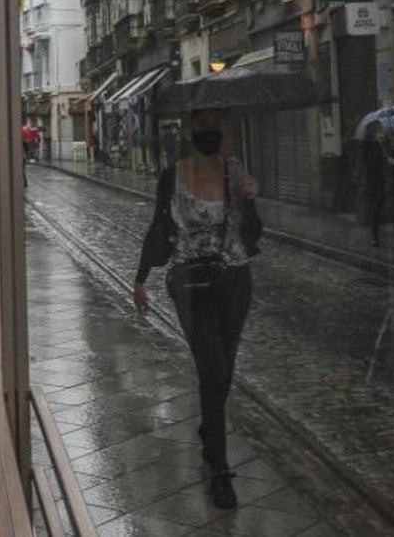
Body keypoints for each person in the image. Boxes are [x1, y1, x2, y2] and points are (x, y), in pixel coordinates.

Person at [133, 109, 262, 510]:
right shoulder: (173, 176)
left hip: (234, 281)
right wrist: (140, 277)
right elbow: (159, 226)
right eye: (201, 126)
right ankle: (220, 468)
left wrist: (252, 199)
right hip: (190, 282)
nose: (209, 132)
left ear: (222, 129)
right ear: (190, 130)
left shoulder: (236, 171)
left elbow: (254, 233)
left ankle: (210, 431)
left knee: (224, 368)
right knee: (212, 369)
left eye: (215, 126)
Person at [363, 121, 394, 249]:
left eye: (381, 131)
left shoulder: (383, 145)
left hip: (387, 182)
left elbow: (391, 160)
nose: (381, 134)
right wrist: (386, 161)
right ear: (373, 133)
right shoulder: (370, 147)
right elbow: (371, 165)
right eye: (379, 131)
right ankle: (374, 238)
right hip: (376, 184)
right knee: (376, 211)